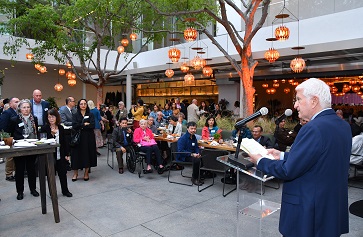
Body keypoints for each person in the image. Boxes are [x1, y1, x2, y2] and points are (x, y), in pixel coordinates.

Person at [248, 78, 351, 237]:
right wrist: (281, 155)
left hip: (308, 213)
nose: (295, 105)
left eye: (298, 100)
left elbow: (288, 171)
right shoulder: (342, 126)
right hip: (330, 209)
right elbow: (320, 159)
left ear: (314, 101)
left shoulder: (313, 127)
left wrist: (260, 161)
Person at [8, 99, 39, 200]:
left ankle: (33, 189)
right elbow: (10, 134)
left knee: (31, 169)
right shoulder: (14, 119)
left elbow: (36, 132)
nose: (26, 109)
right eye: (24, 107)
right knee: (20, 170)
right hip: (19, 148)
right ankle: (20, 191)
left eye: (28, 107)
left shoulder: (34, 118)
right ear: (20, 109)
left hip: (32, 147)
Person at [40, 109, 72, 197]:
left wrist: (67, 154)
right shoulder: (45, 128)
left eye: (53, 116)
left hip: (60, 154)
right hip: (50, 156)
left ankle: (65, 191)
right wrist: (52, 134)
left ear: (56, 117)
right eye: (49, 117)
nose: (51, 119)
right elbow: (44, 142)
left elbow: (64, 142)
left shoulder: (60, 128)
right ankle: (52, 193)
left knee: (63, 174)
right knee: (51, 175)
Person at [71, 99, 97, 181]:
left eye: (85, 104)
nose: (83, 105)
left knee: (87, 155)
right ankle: (75, 174)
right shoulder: (75, 115)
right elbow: (74, 125)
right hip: (78, 138)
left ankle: (86, 173)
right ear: (78, 105)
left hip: (88, 138)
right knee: (76, 155)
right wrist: (84, 124)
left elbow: (92, 125)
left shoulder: (91, 114)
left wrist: (81, 126)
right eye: (81, 104)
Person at [0, 97, 20, 182]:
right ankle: (8, 174)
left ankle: (15, 172)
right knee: (10, 157)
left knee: (16, 155)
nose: (18, 103)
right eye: (16, 102)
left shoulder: (17, 112)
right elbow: (3, 126)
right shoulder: (7, 113)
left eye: (19, 101)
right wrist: (6, 138)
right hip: (8, 136)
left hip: (16, 136)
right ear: (10, 104)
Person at [177, 121, 203, 186]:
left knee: (201, 156)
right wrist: (192, 154)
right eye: (191, 128)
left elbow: (196, 147)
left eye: (194, 129)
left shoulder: (194, 137)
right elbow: (180, 151)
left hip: (192, 155)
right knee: (196, 160)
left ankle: (200, 175)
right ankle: (194, 178)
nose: (193, 130)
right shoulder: (183, 138)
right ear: (187, 129)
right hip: (183, 157)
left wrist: (197, 153)